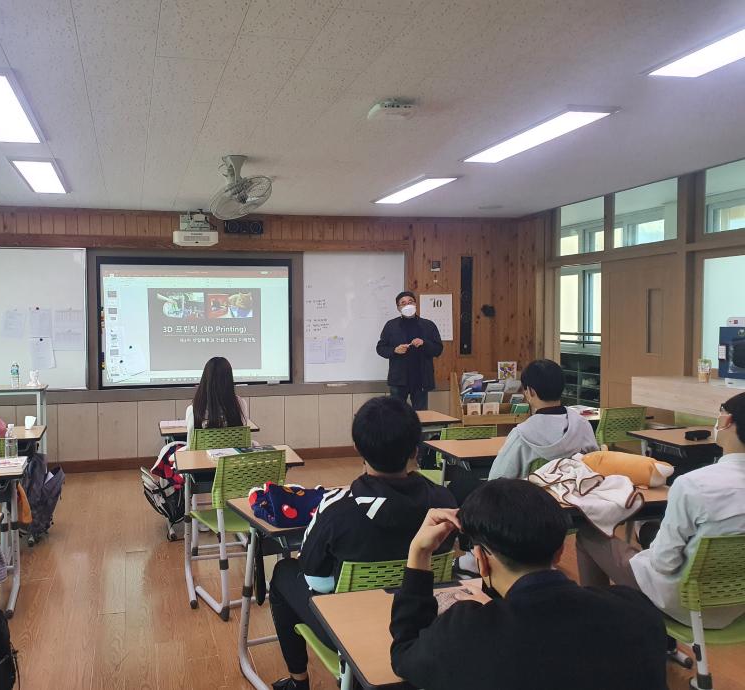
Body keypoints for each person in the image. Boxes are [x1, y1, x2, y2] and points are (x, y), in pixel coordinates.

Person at [390, 479, 666, 690]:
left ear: (481, 560)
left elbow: (405, 656)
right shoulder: (637, 611)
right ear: (559, 551)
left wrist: (419, 553)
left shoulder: (465, 634)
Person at [269, 397, 456, 690]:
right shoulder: (444, 503)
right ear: (415, 449)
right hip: (421, 618)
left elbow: (315, 578)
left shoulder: (337, 508)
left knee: (283, 572)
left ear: (357, 447)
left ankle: (298, 682)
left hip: (347, 629)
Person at [575, 391, 745, 629]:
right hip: (737, 607)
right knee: (650, 530)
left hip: (684, 602)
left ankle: (600, 625)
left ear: (727, 421)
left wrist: (644, 553)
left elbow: (664, 563)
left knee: (588, 535)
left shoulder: (692, 485)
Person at [488, 358, 598, 479]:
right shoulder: (583, 425)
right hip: (576, 490)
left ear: (530, 391)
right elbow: (595, 465)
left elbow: (497, 479)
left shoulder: (521, 435)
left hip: (534, 491)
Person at [376, 291, 443, 411]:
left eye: (410, 302)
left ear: (415, 304)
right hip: (398, 380)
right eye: (403, 303)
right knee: (396, 414)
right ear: (398, 308)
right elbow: (380, 348)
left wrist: (424, 343)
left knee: (421, 416)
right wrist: (394, 350)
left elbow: (438, 349)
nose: (407, 305)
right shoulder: (391, 325)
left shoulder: (428, 325)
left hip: (421, 379)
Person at [184, 356, 248, 446]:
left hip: (202, 455)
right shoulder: (240, 404)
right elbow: (242, 438)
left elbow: (191, 444)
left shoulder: (194, 409)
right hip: (234, 454)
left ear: (205, 379)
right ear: (229, 379)